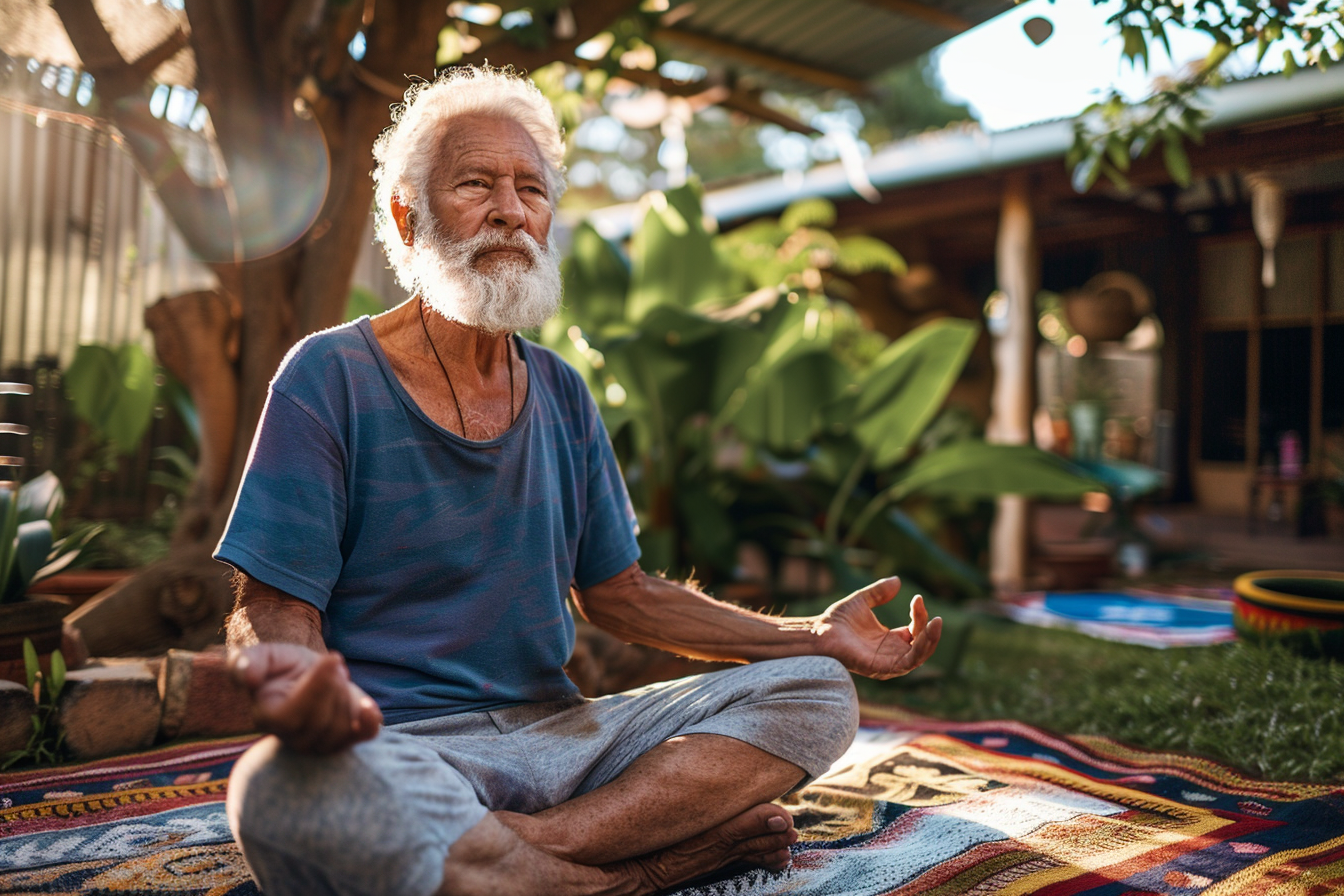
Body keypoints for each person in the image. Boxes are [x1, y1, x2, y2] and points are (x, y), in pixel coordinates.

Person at [219, 66, 942, 896]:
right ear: (407, 216)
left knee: (816, 693)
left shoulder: (561, 389)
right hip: (407, 749)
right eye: (475, 184)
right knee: (273, 792)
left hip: (567, 740)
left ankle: (506, 856)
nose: (509, 210)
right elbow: (271, 605)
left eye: (531, 189)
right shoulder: (328, 374)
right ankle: (643, 870)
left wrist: (816, 635)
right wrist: (299, 681)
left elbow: (622, 596)